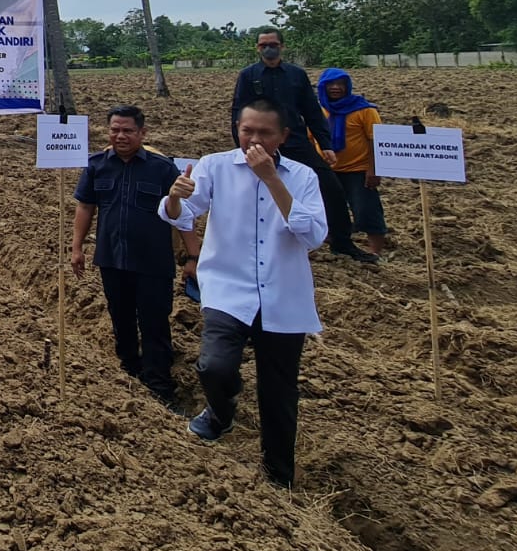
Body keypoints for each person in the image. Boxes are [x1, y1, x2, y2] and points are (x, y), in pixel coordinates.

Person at [164, 100, 327, 488]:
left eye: (264, 133)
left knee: (279, 393)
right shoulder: (215, 166)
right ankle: (221, 413)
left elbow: (313, 236)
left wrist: (272, 179)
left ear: (284, 136)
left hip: (282, 297)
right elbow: (182, 212)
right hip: (227, 289)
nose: (253, 139)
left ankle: (278, 476)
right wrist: (174, 195)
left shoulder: (302, 176)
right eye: (246, 131)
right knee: (214, 367)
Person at [71, 107, 195, 407]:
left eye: (127, 131)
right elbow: (86, 207)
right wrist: (76, 247)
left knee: (154, 324)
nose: (120, 136)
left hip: (153, 263)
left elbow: (183, 216)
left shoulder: (163, 168)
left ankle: (159, 387)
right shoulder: (97, 165)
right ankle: (128, 371)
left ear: (142, 133)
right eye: (115, 130)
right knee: (121, 319)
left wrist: (192, 257)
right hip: (112, 259)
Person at [232, 30, 373, 264]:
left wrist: (325, 144)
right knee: (256, 193)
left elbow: (311, 109)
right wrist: (243, 148)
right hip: (262, 145)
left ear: (282, 47)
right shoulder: (248, 76)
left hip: (296, 141)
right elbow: (238, 112)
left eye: (273, 44)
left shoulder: (296, 75)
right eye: (264, 45)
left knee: (331, 189)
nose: (269, 48)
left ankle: (341, 242)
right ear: (257, 48)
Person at [315, 68, 387, 256]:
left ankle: (376, 251)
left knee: (366, 210)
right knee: (329, 209)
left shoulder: (365, 110)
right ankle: (334, 245)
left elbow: (375, 140)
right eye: (331, 84)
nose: (336, 88)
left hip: (358, 170)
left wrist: (373, 169)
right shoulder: (317, 110)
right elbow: (310, 138)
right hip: (327, 170)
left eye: (341, 84)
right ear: (323, 87)